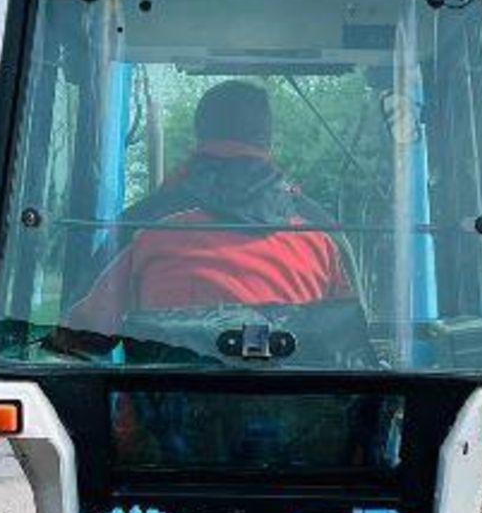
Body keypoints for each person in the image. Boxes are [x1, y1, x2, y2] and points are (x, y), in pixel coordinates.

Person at [62, 80, 352, 334]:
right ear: (269, 142)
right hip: (295, 397)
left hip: (168, 395)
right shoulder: (322, 232)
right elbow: (351, 337)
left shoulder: (143, 225)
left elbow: (81, 337)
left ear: (199, 135)